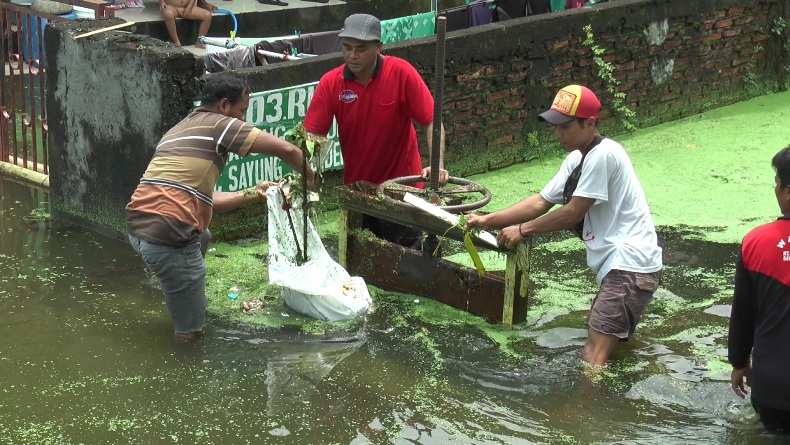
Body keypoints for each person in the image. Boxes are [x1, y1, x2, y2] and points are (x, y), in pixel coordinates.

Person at [465, 85, 663, 367]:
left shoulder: (604, 154)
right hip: (619, 266)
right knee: (613, 346)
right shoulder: (576, 159)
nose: (558, 134)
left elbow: (573, 212)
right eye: (555, 126)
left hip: (630, 264)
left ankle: (579, 410)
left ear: (590, 124)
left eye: (565, 127)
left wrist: (522, 230)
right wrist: (487, 219)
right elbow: (540, 202)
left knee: (592, 353)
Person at [126, 73, 315, 341]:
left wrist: (252, 193)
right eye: (242, 111)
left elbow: (201, 199)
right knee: (191, 334)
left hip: (137, 228)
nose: (244, 121)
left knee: (203, 235)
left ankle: (183, 293)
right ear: (224, 105)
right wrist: (311, 179)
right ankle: (186, 351)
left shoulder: (178, 129)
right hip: (168, 233)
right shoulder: (221, 124)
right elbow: (289, 151)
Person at [303, 13, 448, 250]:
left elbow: (433, 120)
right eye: (347, 48)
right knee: (359, 266)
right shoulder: (331, 83)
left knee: (409, 265)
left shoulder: (401, 73)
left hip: (402, 191)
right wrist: (305, 171)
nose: (352, 55)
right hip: (360, 193)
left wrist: (437, 165)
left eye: (361, 49)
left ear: (379, 47)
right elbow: (312, 136)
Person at [728, 145, 790, 433]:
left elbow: (743, 313)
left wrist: (739, 362)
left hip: (773, 388)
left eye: (776, 183)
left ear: (787, 191)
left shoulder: (756, 242)